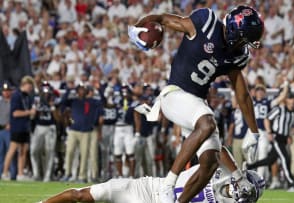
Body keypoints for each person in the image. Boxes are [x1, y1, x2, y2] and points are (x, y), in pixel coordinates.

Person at [129, 5, 263, 203]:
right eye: (246, 40)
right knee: (207, 124)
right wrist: (137, 28)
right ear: (236, 32)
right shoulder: (205, 23)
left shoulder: (236, 55)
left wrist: (254, 131)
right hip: (174, 95)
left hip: (195, 105)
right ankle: (168, 186)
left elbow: (242, 94)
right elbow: (163, 18)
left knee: (210, 161)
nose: (247, 45)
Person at [39, 146, 265, 203]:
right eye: (243, 186)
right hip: (147, 189)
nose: (239, 192)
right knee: (83, 196)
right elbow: (219, 150)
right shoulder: (221, 171)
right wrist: (238, 175)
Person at [247, 93, 294, 191]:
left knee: (270, 160)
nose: (292, 103)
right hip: (277, 137)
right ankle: (292, 184)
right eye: (290, 100)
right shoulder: (279, 109)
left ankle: (250, 166)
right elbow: (267, 119)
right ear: (286, 100)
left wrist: (290, 134)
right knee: (285, 159)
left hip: (284, 138)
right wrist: (269, 132)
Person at [1, 76, 36, 180]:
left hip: (25, 127)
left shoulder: (27, 96)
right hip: (17, 127)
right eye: (30, 86)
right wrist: (29, 112)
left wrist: (31, 114)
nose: (31, 89)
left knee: (23, 150)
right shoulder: (16, 95)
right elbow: (15, 113)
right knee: (12, 150)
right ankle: (5, 172)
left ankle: (20, 174)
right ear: (25, 84)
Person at [30, 82, 60, 182]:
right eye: (44, 90)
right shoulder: (36, 100)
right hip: (39, 127)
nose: (46, 93)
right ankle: (36, 174)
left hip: (50, 127)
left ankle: (47, 176)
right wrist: (34, 109)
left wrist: (52, 107)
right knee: (34, 150)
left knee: (49, 151)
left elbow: (58, 119)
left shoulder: (54, 100)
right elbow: (32, 116)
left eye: (47, 90)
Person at [0, 82, 17, 180]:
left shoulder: (13, 102)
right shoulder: (0, 102)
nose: (6, 93)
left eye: (8, 91)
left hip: (10, 130)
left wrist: (12, 124)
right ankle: (1, 173)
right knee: (0, 153)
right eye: (4, 91)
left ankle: (12, 174)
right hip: (0, 129)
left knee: (10, 153)